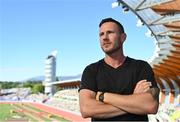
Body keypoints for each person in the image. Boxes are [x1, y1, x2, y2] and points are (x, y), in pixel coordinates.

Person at [79, 17, 159, 121]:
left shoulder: (141, 67)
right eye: (101, 34)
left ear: (123, 37)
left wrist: (103, 96)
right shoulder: (91, 70)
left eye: (110, 32)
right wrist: (133, 101)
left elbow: (150, 105)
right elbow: (86, 109)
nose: (104, 38)